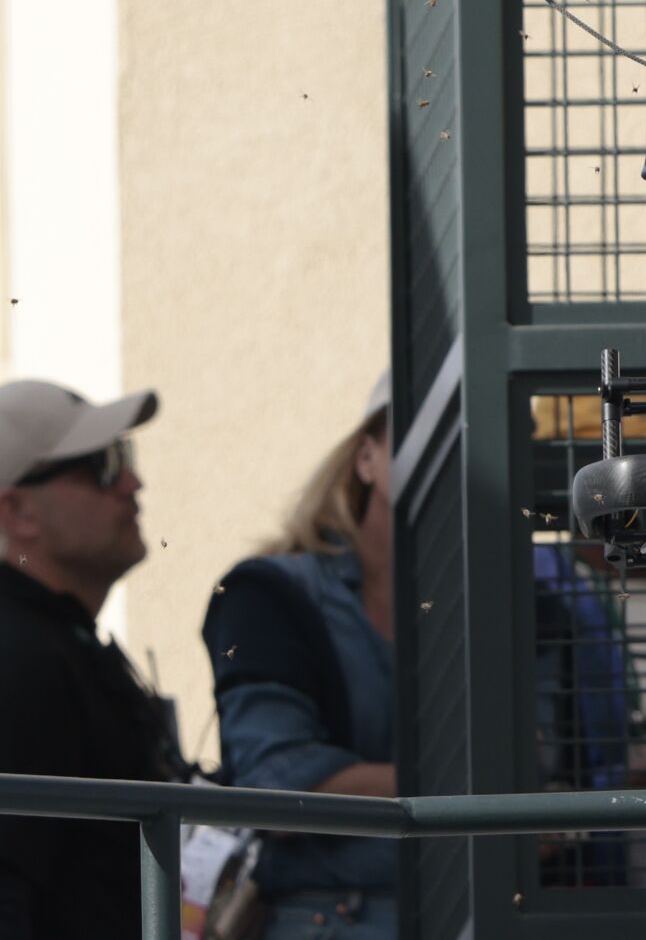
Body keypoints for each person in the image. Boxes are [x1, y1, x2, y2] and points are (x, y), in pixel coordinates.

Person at [203, 373, 397, 939]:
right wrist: (481, 787)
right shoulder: (269, 594)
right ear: (366, 457)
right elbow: (276, 785)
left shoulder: (527, 602)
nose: (455, 444)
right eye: (425, 426)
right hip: (329, 918)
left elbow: (550, 770)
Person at [0, 378, 184, 938]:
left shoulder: (56, 640)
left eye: (124, 457)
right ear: (17, 510)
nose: (133, 482)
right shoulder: (18, 654)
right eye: (102, 465)